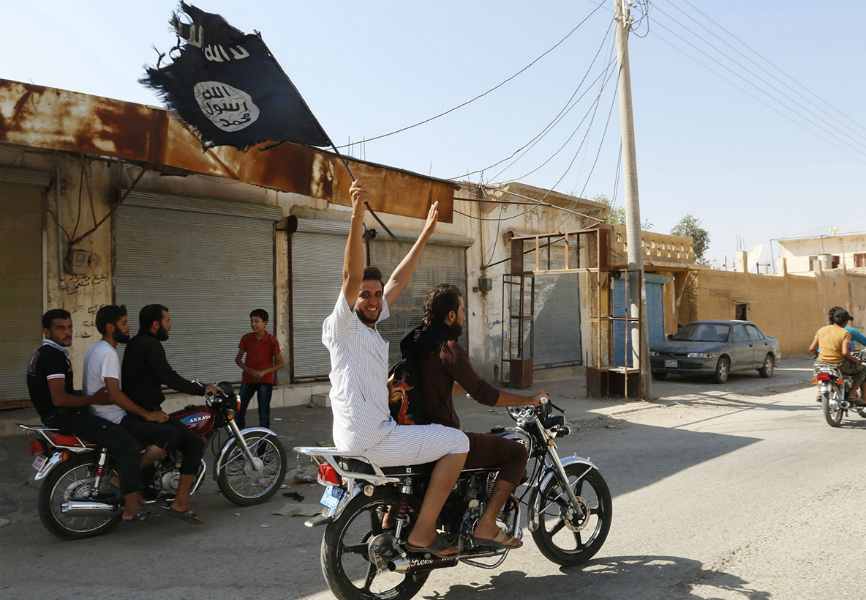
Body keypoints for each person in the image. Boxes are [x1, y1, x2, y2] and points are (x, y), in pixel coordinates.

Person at [323, 180, 469, 559]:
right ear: (351, 298)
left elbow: (399, 280)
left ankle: (394, 525)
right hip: (371, 437)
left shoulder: (369, 324)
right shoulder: (343, 325)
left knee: (421, 437)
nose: (373, 300)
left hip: (366, 432)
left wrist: (425, 233)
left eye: (376, 294)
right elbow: (350, 276)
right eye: (365, 295)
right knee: (458, 442)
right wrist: (357, 212)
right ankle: (424, 532)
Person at [409, 283, 546, 549]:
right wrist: (529, 399)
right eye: (461, 311)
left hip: (416, 434)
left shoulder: (418, 343)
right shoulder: (448, 347)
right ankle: (486, 524)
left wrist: (463, 389)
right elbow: (485, 394)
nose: (463, 317)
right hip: (443, 439)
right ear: (450, 315)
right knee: (516, 452)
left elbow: (436, 383)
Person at [26, 309, 156, 527]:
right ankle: (132, 507)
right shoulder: (53, 356)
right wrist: (94, 399)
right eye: (60, 328)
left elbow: (58, 393)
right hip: (63, 416)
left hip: (55, 414)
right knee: (128, 444)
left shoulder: (45, 353)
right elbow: (59, 399)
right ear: (47, 331)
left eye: (69, 327)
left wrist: (85, 395)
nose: (68, 332)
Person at [122, 304, 220, 524]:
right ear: (156, 324)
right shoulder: (151, 344)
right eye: (167, 321)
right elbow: (169, 377)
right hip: (145, 412)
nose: (170, 325)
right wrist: (202, 389)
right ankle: (180, 502)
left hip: (137, 410)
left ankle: (148, 488)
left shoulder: (135, 343)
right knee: (194, 443)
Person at [84, 305, 180, 478]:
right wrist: (146, 414)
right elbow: (114, 394)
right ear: (110, 327)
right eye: (124, 323)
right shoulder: (108, 354)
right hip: (113, 417)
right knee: (170, 433)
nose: (129, 327)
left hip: (99, 414)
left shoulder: (96, 348)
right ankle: (126, 476)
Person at [234, 309, 284, 429]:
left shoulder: (272, 340)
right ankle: (240, 442)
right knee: (239, 411)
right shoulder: (246, 338)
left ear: (265, 323)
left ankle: (263, 446)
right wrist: (248, 370)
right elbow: (238, 360)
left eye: (257, 321)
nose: (253, 324)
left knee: (263, 415)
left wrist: (263, 372)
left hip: (265, 381)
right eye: (251, 321)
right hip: (247, 380)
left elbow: (281, 363)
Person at [810, 308, 866, 400]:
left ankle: (821, 391)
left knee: (818, 372)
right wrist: (854, 359)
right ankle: (852, 393)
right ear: (846, 322)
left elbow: (812, 348)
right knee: (862, 370)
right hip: (838, 364)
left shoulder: (821, 330)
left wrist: (819, 355)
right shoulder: (845, 332)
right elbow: (845, 353)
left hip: (821, 362)